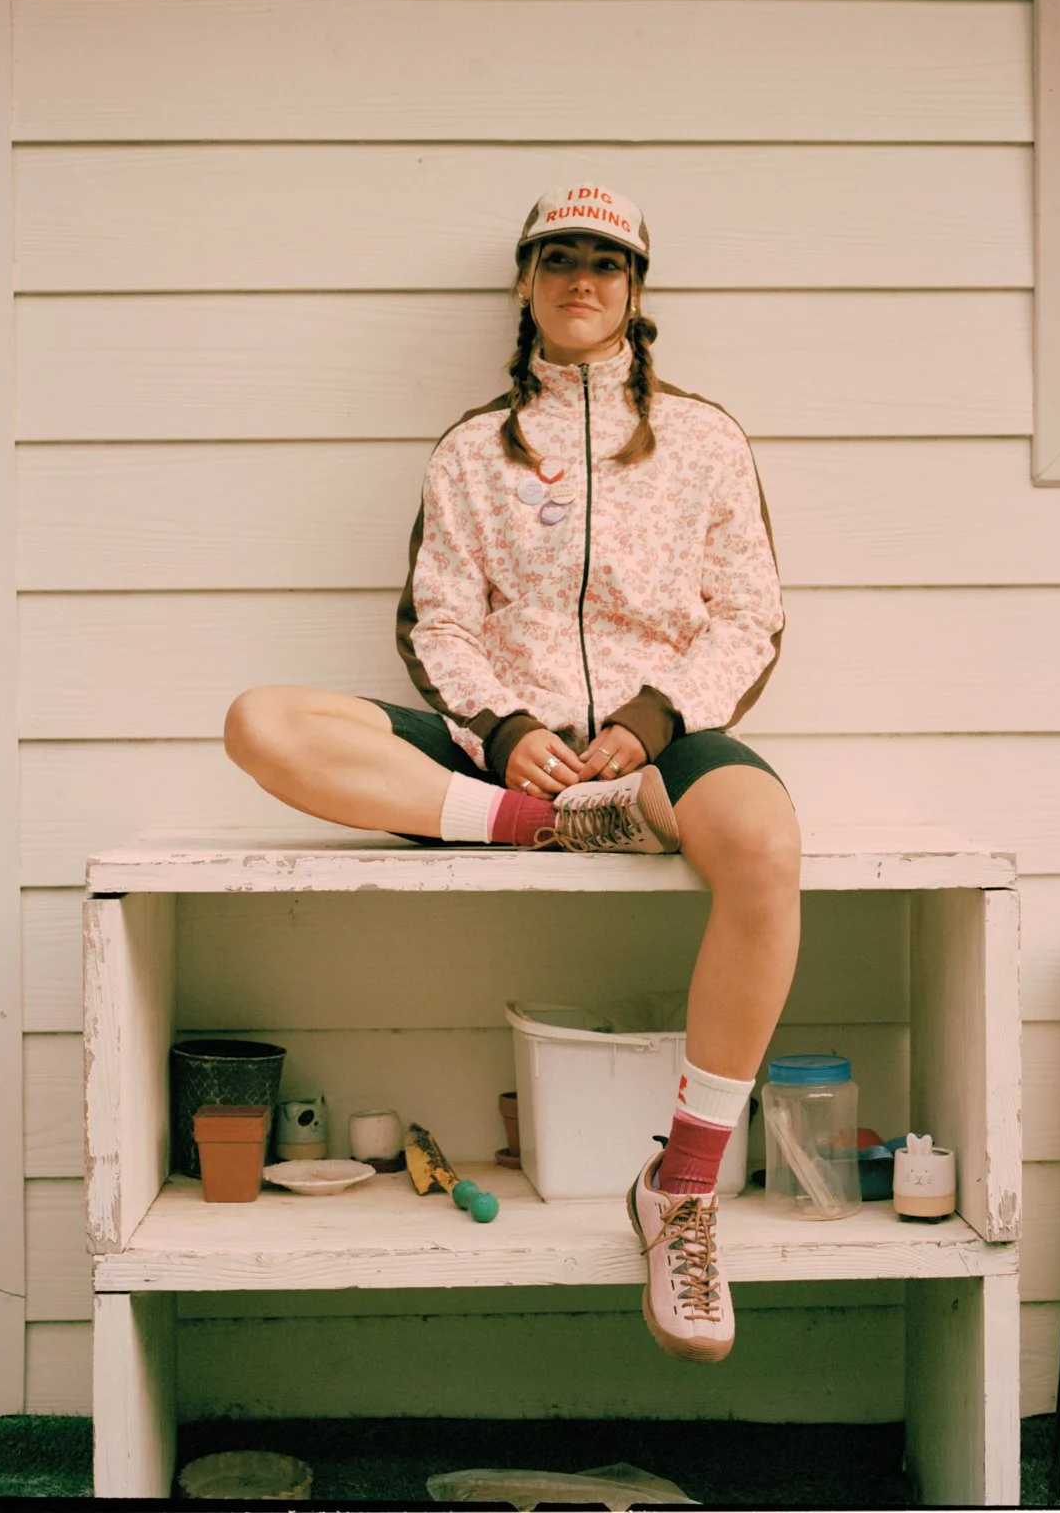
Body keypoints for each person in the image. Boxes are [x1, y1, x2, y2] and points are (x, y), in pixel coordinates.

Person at [224, 183, 802, 1364]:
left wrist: (651, 719)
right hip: (510, 751)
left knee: (766, 842)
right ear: (527, 285)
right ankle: (542, 823)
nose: (581, 280)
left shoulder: (706, 441)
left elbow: (750, 618)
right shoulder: (474, 453)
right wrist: (498, 724)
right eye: (558, 260)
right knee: (261, 721)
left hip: (657, 746)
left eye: (606, 263)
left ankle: (681, 1190)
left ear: (636, 293)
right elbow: (438, 625)